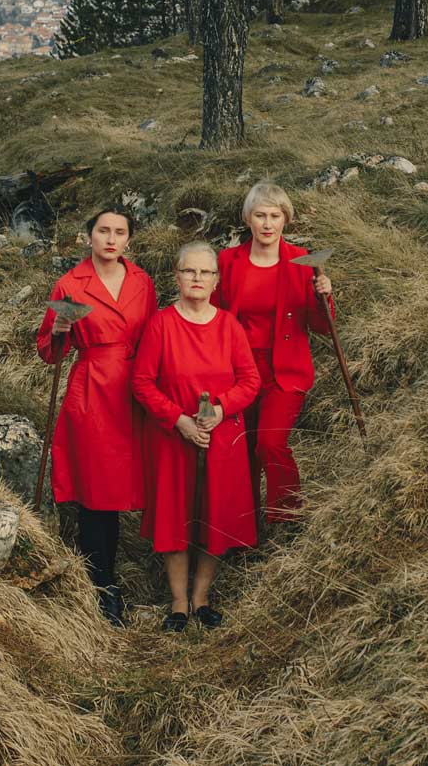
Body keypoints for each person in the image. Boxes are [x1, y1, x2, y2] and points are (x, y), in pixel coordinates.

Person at [37, 207, 158, 625]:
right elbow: (50, 352)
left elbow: (153, 337)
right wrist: (57, 332)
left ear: (128, 240)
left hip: (136, 387)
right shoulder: (71, 284)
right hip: (92, 390)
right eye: (103, 231)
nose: (110, 238)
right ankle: (102, 583)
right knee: (95, 490)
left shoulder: (142, 281)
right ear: (88, 237)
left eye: (119, 232)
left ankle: (142, 564)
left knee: (130, 481)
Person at [131, 241, 261, 631]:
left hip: (220, 436)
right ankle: (177, 603)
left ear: (216, 280)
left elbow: (250, 380)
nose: (197, 278)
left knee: (214, 514)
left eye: (205, 272)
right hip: (173, 438)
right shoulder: (160, 324)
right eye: (190, 271)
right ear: (177, 275)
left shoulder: (228, 325)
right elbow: (142, 383)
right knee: (176, 516)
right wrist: (179, 420)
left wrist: (220, 409)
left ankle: (201, 597)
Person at [214, 181, 332, 527]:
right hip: (238, 371)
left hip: (285, 369)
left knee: (269, 443)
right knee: (242, 449)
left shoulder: (302, 262)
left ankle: (286, 518)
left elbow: (322, 327)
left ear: (285, 219)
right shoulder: (228, 262)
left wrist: (324, 297)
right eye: (260, 215)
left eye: (275, 215)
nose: (267, 223)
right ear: (247, 219)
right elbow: (215, 316)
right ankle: (245, 526)